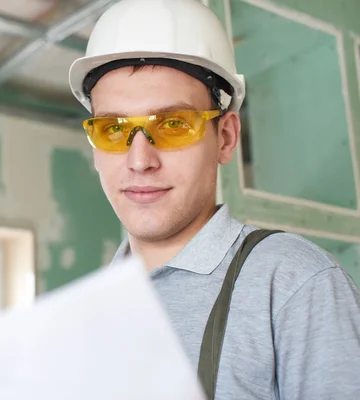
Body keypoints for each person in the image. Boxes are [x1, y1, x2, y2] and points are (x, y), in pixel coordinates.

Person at [68, 0, 360, 399]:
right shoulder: (87, 310)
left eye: (173, 124)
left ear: (225, 137)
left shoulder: (293, 282)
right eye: (113, 129)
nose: (140, 161)